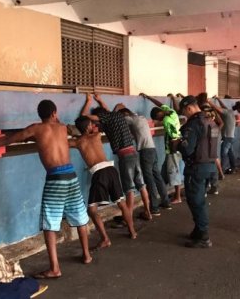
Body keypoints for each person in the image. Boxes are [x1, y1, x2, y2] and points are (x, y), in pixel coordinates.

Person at [0, 99, 91, 279]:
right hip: (71, 176)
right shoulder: (62, 128)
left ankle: (55, 268)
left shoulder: (36, 129)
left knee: (50, 225)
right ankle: (87, 255)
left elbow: (9, 139)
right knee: (80, 217)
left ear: (40, 115)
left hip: (55, 179)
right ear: (54, 113)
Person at [81, 93, 152, 221]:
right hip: (133, 152)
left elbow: (84, 117)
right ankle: (148, 212)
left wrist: (88, 101)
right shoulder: (116, 116)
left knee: (129, 189)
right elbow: (107, 110)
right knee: (141, 185)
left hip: (125, 156)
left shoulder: (105, 118)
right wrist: (100, 99)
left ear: (100, 117)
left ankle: (127, 218)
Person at [69, 116, 137, 249]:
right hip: (111, 170)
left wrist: (72, 132)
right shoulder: (96, 136)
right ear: (89, 126)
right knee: (122, 203)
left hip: (99, 173)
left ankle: (105, 239)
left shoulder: (77, 142)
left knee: (92, 210)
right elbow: (98, 125)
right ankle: (133, 232)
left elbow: (61, 140)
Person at [172, 96, 218, 248]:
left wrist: (177, 144)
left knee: (196, 201)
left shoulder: (193, 124)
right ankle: (199, 230)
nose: (185, 115)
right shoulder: (210, 120)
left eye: (185, 112)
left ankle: (203, 236)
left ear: (190, 108)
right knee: (200, 200)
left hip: (196, 168)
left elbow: (187, 148)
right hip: (209, 166)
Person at [115, 104, 172, 216]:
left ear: (125, 114)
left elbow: (117, 119)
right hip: (152, 149)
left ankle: (154, 208)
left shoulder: (129, 119)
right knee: (157, 176)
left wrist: (116, 109)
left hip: (145, 151)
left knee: (149, 179)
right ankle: (166, 202)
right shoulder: (141, 118)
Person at [140, 93, 183, 204]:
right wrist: (149, 97)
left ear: (159, 116)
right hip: (173, 150)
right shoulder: (170, 112)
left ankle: (177, 197)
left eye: (156, 119)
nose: (157, 121)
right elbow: (159, 104)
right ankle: (163, 196)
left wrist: (172, 151)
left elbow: (174, 137)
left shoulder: (166, 121)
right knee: (163, 173)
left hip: (172, 150)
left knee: (174, 172)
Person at [205, 95, 236, 175]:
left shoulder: (226, 112)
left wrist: (209, 102)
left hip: (226, 137)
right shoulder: (230, 112)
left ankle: (222, 170)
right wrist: (218, 99)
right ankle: (233, 167)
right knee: (230, 153)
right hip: (230, 136)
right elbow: (222, 107)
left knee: (223, 154)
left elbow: (218, 109)